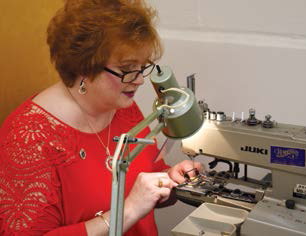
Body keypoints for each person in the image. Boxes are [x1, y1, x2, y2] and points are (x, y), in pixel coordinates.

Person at [0, 0, 202, 235]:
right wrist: (127, 211)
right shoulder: (28, 138)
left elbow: (146, 174)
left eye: (142, 67)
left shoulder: (122, 107)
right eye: (127, 69)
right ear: (85, 66)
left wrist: (169, 178)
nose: (139, 80)